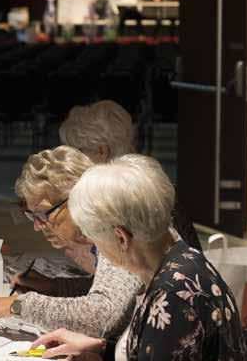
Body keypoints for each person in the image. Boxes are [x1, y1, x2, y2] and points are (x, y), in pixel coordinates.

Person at [31, 155, 247, 361]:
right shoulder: (180, 258)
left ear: (121, 238)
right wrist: (103, 348)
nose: (98, 252)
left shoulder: (175, 294)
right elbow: (164, 354)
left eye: (95, 243)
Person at [0, 146, 143, 339]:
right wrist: (56, 287)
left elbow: (102, 316)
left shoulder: (115, 230)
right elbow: (118, 295)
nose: (38, 226)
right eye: (32, 217)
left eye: (42, 213)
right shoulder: (109, 224)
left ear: (76, 198)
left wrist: (18, 306)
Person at [59, 100, 202, 250]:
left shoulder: (128, 196)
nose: (72, 161)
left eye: (77, 152)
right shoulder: (148, 183)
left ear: (102, 151)